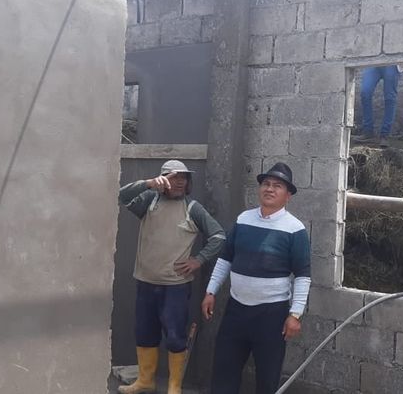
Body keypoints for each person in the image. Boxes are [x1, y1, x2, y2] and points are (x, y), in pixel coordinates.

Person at [201, 162, 311, 394]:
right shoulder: (244, 219)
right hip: (236, 310)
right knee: (223, 372)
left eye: (277, 186)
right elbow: (225, 259)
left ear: (288, 195)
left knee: (267, 378)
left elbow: (302, 275)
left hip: (271, 315)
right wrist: (211, 291)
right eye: (266, 184)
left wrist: (295, 314)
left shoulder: (295, 229)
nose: (269, 189)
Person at [118, 160, 225, 394]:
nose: (179, 182)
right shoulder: (149, 201)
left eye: (183, 178)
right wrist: (148, 184)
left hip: (175, 287)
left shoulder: (192, 208)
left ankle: (174, 386)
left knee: (176, 337)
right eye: (173, 177)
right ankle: (145, 381)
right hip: (146, 282)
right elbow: (122, 196)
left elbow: (218, 236)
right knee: (145, 334)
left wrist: (198, 260)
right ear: (162, 179)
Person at [356, 65, 401, 145]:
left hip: (392, 63)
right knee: (365, 93)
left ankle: (385, 135)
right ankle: (368, 132)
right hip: (373, 62)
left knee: (390, 98)